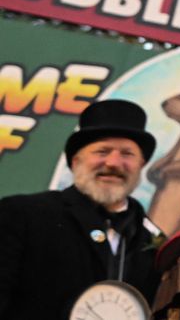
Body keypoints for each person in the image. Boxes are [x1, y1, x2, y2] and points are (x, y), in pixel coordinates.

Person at [0, 99, 162, 319]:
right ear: (76, 161)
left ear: (141, 165)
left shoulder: (157, 244)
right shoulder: (21, 215)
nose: (114, 163)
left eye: (127, 154)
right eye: (102, 151)